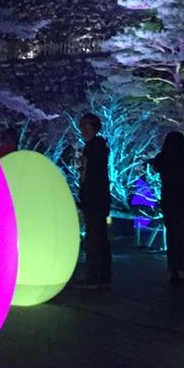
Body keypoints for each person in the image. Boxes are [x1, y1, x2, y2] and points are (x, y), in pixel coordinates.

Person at [149, 129, 184, 282]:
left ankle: (175, 270)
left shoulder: (163, 159)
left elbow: (154, 165)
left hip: (169, 199)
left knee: (173, 235)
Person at [76, 110, 111, 289]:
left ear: (94, 127)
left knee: (93, 237)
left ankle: (92, 277)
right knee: (101, 237)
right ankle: (104, 276)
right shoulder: (100, 147)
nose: (83, 129)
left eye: (86, 126)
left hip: (94, 197)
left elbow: (87, 174)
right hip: (101, 197)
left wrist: (82, 173)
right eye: (82, 126)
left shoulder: (92, 147)